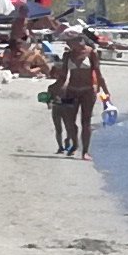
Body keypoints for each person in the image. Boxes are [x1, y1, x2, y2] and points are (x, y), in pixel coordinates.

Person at [51, 29, 107, 159]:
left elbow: (98, 73)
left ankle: (85, 151)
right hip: (71, 91)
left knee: (85, 122)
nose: (68, 45)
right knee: (69, 121)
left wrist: (105, 91)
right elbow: (63, 77)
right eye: (67, 42)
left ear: (78, 40)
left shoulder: (91, 53)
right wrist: (53, 89)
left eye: (70, 42)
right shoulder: (67, 56)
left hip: (88, 91)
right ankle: (75, 143)